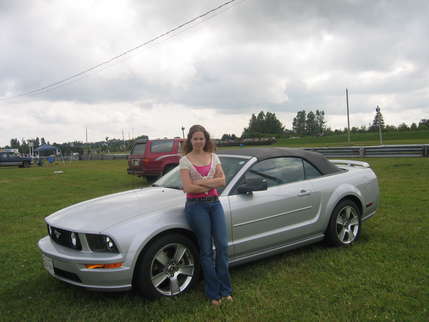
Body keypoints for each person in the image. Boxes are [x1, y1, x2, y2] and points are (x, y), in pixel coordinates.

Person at [179, 125, 233, 305]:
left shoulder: (214, 157)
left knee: (223, 246)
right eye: (195, 139)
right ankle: (213, 293)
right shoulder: (185, 161)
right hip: (196, 207)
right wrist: (212, 183)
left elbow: (223, 180)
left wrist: (202, 182)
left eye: (201, 138)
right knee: (206, 250)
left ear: (206, 139)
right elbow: (188, 188)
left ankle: (226, 289)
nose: (199, 142)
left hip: (214, 205)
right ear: (190, 140)